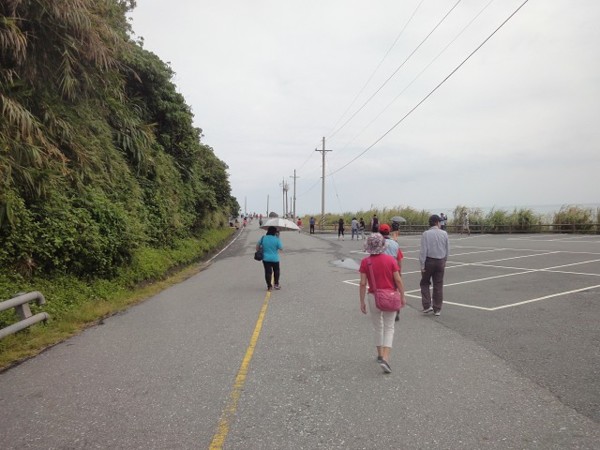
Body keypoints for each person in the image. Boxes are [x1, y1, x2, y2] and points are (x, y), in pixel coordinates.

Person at [359, 233, 405, 374]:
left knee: (378, 327)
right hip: (390, 295)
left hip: (373, 296)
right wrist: (402, 296)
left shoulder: (365, 262)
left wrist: (362, 301)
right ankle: (385, 357)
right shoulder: (391, 260)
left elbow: (363, 283)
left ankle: (379, 355)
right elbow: (398, 280)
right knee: (389, 327)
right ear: (382, 246)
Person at [419, 215, 449, 317]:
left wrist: (422, 265)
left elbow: (423, 251)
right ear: (437, 222)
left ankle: (427, 305)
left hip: (429, 261)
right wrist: (445, 260)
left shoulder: (426, 234)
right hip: (440, 261)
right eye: (439, 222)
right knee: (438, 284)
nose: (440, 224)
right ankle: (437, 309)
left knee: (424, 282)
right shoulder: (444, 233)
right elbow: (447, 249)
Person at [379, 224, 404, 322]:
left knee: (381, 288)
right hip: (393, 268)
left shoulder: (378, 243)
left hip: (381, 268)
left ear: (379, 232)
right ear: (389, 232)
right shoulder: (395, 244)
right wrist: (399, 271)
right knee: (394, 288)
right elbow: (399, 259)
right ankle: (396, 310)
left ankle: (382, 308)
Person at [257, 226, 283, 291]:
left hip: (266, 259)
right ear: (275, 232)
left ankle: (269, 287)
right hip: (275, 259)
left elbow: (257, 246)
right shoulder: (276, 239)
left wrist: (260, 250)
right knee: (276, 271)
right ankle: (276, 285)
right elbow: (281, 248)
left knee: (268, 272)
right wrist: (278, 238)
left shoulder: (263, 238)